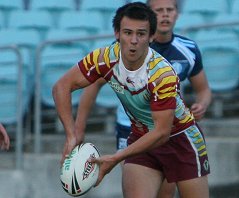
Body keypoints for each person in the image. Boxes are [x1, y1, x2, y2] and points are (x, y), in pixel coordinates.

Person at [53, 2, 210, 197]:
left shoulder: (162, 74)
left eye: (141, 34)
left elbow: (162, 132)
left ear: (151, 37)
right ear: (117, 33)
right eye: (127, 33)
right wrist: (72, 135)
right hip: (141, 138)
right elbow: (61, 86)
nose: (134, 40)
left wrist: (117, 157)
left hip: (181, 140)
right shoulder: (104, 58)